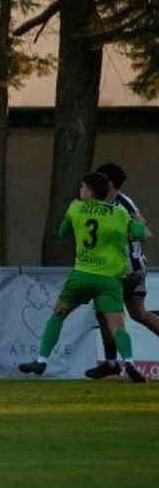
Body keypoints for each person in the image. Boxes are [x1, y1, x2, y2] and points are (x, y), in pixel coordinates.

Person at [20, 172, 149, 382]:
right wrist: (138, 223)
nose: (80, 191)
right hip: (109, 279)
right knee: (117, 326)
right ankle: (129, 363)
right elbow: (144, 234)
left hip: (82, 275)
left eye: (82, 187)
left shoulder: (76, 208)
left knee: (59, 314)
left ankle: (42, 361)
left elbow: (62, 232)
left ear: (89, 191)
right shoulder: (118, 214)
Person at [85, 162, 158, 378]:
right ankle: (113, 363)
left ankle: (112, 363)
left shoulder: (121, 203)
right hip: (130, 268)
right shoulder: (101, 202)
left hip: (127, 271)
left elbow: (144, 229)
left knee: (104, 310)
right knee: (139, 314)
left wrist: (121, 238)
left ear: (108, 183)